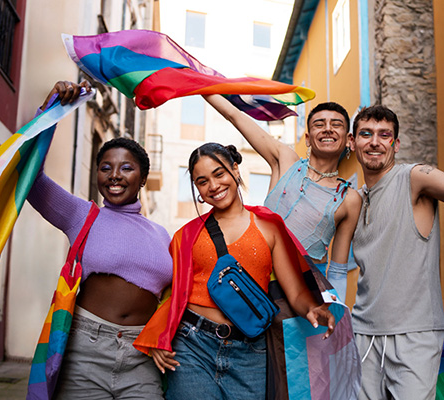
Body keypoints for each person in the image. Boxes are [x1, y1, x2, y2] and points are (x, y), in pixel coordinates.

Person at [133, 142, 336, 399]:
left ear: (235, 170)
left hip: (251, 352)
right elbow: (172, 296)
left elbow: (294, 291)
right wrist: (160, 339)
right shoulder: (186, 236)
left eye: (219, 174)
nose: (214, 186)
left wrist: (313, 308)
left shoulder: (269, 227)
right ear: (197, 189)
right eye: (202, 181)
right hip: (192, 346)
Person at [27, 81, 173, 399]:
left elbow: (175, 294)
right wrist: (50, 109)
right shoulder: (81, 215)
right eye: (105, 167)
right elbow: (32, 179)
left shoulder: (162, 235)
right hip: (85, 352)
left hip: (142, 356)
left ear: (143, 178)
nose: (114, 174)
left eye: (126, 168)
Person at [204, 94, 362, 302]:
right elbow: (234, 115)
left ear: (349, 140)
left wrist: (337, 314)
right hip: (254, 281)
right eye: (319, 124)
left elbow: (339, 271)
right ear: (307, 137)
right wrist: (198, 84)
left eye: (337, 124)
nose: (327, 129)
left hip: (306, 292)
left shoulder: (349, 198)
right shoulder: (285, 160)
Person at [349, 105, 444, 400]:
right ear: (352, 143)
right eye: (366, 134)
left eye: (384, 135)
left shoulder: (414, 178)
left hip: (414, 334)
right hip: (363, 333)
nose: (374, 142)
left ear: (396, 144)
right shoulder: (355, 199)